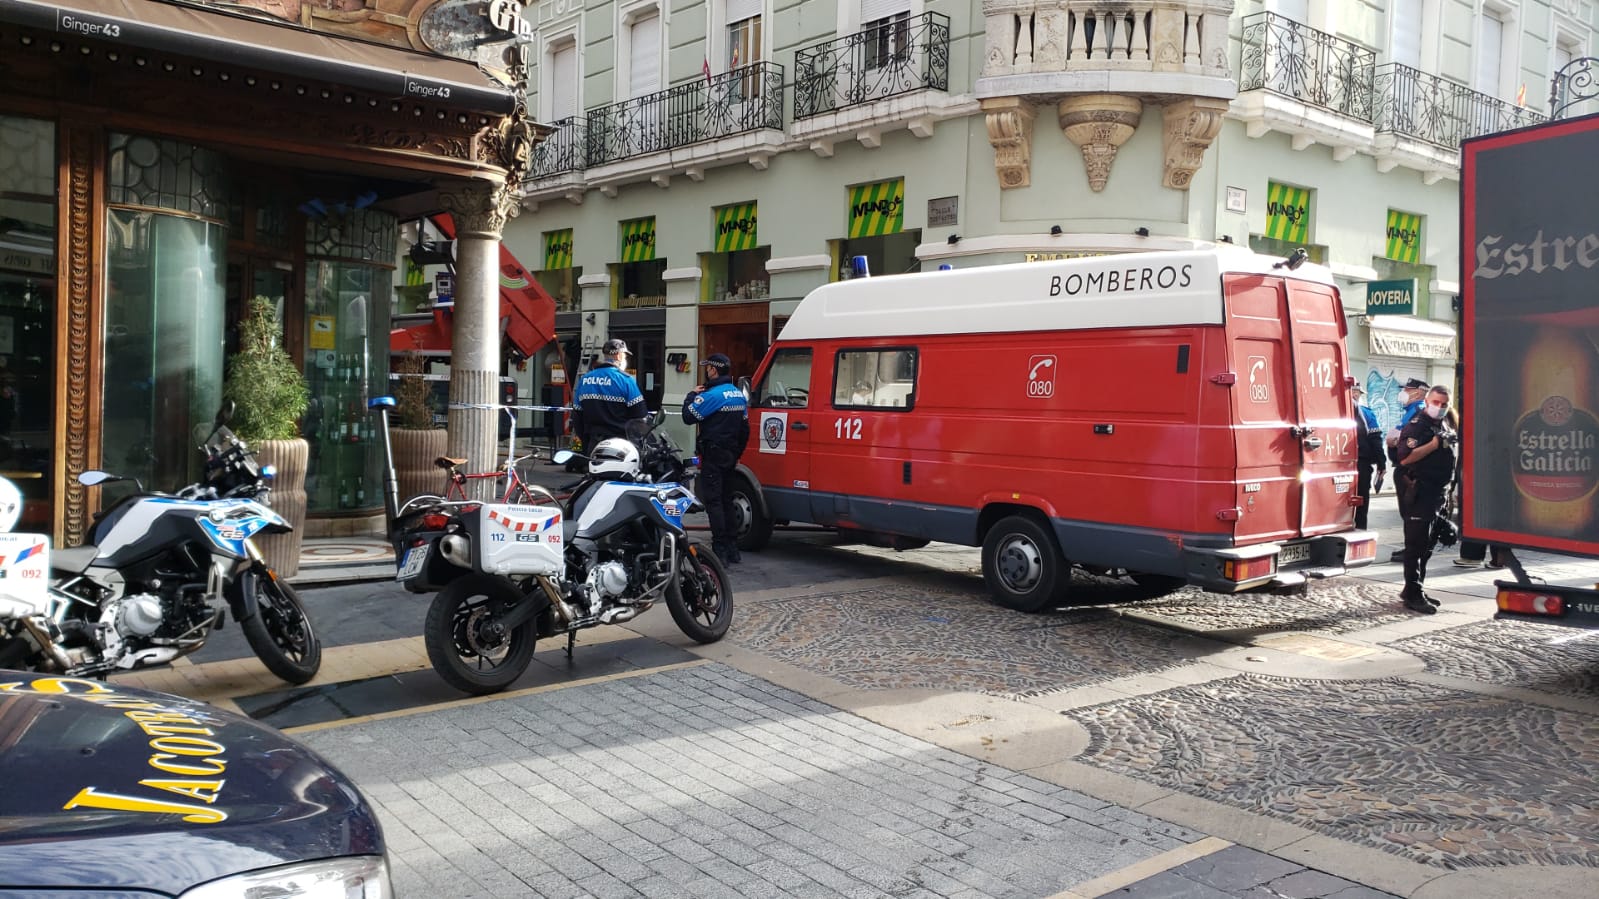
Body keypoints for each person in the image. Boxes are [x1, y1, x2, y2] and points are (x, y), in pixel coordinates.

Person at [1395, 385, 1458, 614]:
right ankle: (1413, 593)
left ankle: (1414, 587)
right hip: (1418, 490)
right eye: (1436, 402)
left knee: (1428, 546)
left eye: (1444, 404)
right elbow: (1404, 458)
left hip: (1437, 492)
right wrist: (1432, 445)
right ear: (1428, 400)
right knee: (1416, 545)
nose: (1439, 408)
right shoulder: (1418, 425)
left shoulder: (1443, 423)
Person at [683, 353, 750, 564]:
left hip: (713, 455)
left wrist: (691, 396)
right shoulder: (738, 395)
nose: (707, 371)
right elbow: (745, 429)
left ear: (714, 370)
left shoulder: (712, 396)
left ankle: (720, 547)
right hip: (730, 455)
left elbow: (688, 416)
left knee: (714, 502)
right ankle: (733, 547)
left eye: (708, 367)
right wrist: (737, 453)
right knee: (727, 500)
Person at [571, 338, 647, 452]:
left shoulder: (585, 379)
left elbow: (577, 416)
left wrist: (585, 444)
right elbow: (640, 416)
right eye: (625, 356)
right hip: (620, 447)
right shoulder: (625, 380)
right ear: (619, 356)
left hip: (594, 445)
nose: (625, 359)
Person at [1385, 378, 1429, 560]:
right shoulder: (1411, 410)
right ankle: (1411, 548)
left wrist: (1396, 440)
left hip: (1411, 469)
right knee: (1408, 512)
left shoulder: (1418, 410)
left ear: (1418, 392)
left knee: (1412, 513)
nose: (1403, 393)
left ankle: (1414, 551)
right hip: (1405, 467)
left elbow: (1405, 437)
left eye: (1407, 389)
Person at [1352, 384, 1385, 530]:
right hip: (1361, 464)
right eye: (1355, 392)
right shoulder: (1366, 413)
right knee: (1361, 501)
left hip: (1337, 464)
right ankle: (1359, 528)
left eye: (1358, 393)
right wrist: (1381, 463)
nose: (1356, 395)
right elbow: (1375, 439)